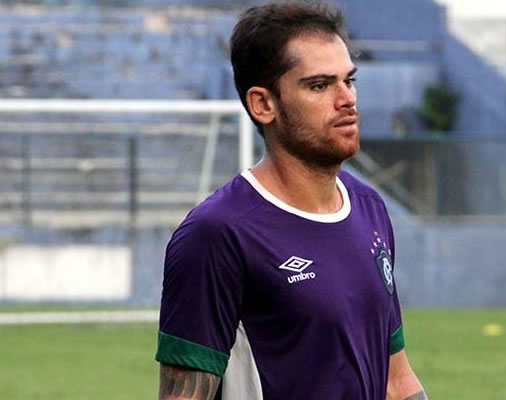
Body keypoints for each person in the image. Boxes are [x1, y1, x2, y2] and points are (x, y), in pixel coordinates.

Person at [155, 1, 428, 399]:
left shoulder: (369, 207)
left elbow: (395, 380)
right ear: (263, 104)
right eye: (320, 85)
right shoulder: (217, 234)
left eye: (349, 81)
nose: (347, 99)